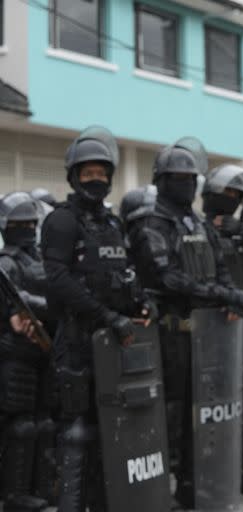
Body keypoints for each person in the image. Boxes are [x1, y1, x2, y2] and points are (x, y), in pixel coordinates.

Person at [126, 137, 243, 508]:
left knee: (201, 413)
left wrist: (231, 297)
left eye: (190, 177)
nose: (185, 183)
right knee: (171, 414)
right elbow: (166, 276)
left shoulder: (196, 222)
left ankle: (191, 485)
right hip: (169, 334)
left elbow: (219, 267)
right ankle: (160, 489)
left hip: (207, 335)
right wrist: (221, 294)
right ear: (161, 180)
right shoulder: (152, 222)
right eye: (177, 177)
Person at [40, 126, 151, 512]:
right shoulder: (61, 221)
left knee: (113, 436)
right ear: (73, 175)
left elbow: (125, 274)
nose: (96, 180)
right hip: (77, 343)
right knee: (77, 436)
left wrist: (139, 305)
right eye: (88, 174)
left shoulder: (112, 223)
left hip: (114, 345)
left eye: (102, 173)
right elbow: (57, 279)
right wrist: (106, 315)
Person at [200, 163, 243, 494]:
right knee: (214, 403)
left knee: (236, 400)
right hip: (209, 330)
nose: (232, 200)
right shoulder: (195, 228)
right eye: (227, 194)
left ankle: (237, 470)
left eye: (238, 196)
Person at [0, 192, 57, 511]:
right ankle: (15, 494)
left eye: (31, 223)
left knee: (45, 423)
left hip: (42, 351)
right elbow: (15, 301)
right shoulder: (5, 264)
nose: (26, 228)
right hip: (15, 354)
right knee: (20, 426)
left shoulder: (39, 260)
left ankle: (41, 487)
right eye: (20, 223)